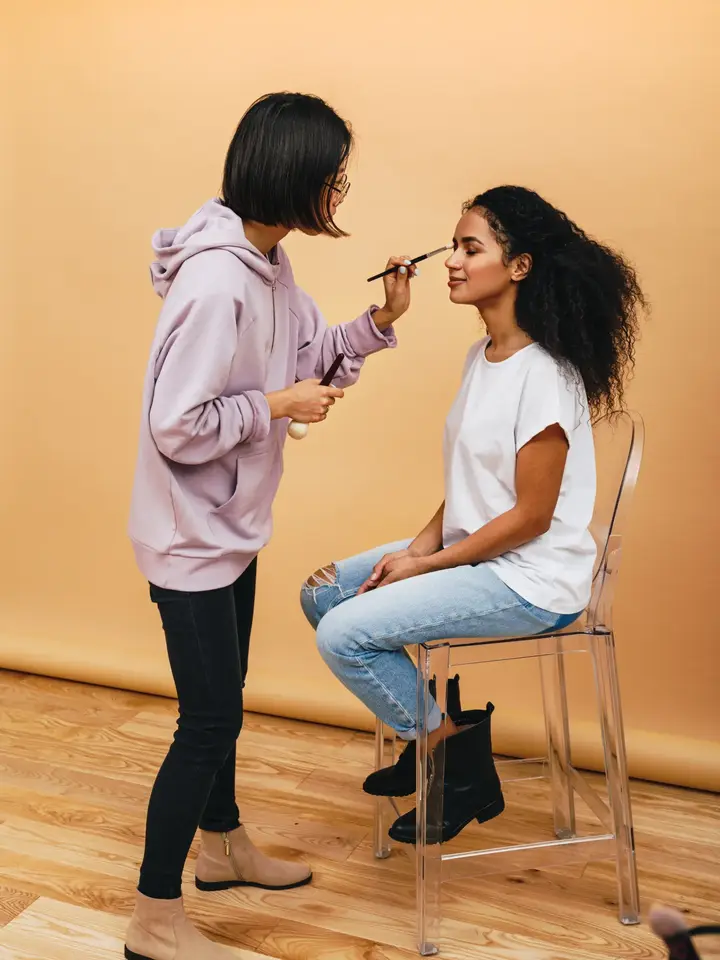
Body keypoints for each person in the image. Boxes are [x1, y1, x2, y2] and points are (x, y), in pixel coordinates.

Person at [125, 92, 415, 960]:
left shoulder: (268, 263)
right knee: (208, 721)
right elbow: (176, 425)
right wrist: (275, 407)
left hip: (230, 527)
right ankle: (153, 918)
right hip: (188, 539)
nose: (339, 192)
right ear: (293, 176)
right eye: (333, 177)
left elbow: (304, 358)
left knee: (225, 703)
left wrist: (379, 323)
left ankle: (222, 847)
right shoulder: (218, 281)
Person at [301, 185, 645, 846]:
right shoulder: (481, 357)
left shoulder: (545, 375)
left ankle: (452, 760)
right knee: (323, 594)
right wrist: (418, 549)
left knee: (343, 635)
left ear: (519, 266)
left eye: (470, 248)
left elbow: (531, 518)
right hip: (477, 554)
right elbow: (470, 483)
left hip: (530, 578)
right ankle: (438, 732)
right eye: (453, 247)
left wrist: (426, 565)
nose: (452, 262)